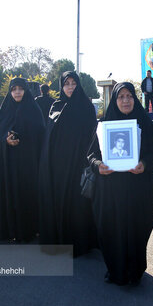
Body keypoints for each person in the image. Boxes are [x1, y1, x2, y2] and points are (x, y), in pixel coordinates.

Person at [87, 82, 153, 286]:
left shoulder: (144, 122)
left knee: (137, 228)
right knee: (111, 229)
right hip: (110, 191)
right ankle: (115, 270)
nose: (126, 100)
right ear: (115, 100)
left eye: (129, 96)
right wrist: (98, 165)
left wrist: (144, 164)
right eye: (121, 97)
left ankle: (135, 271)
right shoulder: (105, 123)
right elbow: (91, 154)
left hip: (139, 190)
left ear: (135, 99)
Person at [38, 71, 98, 256]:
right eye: (66, 83)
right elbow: (49, 136)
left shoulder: (86, 107)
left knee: (76, 205)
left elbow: (91, 136)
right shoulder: (56, 106)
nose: (70, 86)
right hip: (57, 166)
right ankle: (57, 241)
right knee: (56, 202)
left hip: (77, 165)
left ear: (78, 85)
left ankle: (77, 244)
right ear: (61, 86)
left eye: (73, 83)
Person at [0, 77, 45, 242]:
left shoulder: (34, 111)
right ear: (10, 92)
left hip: (28, 166)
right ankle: (9, 230)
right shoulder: (4, 111)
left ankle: (29, 230)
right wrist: (6, 139)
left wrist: (23, 138)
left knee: (26, 198)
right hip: (8, 166)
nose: (17, 92)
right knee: (9, 197)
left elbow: (40, 136)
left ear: (25, 91)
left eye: (20, 89)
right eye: (13, 89)